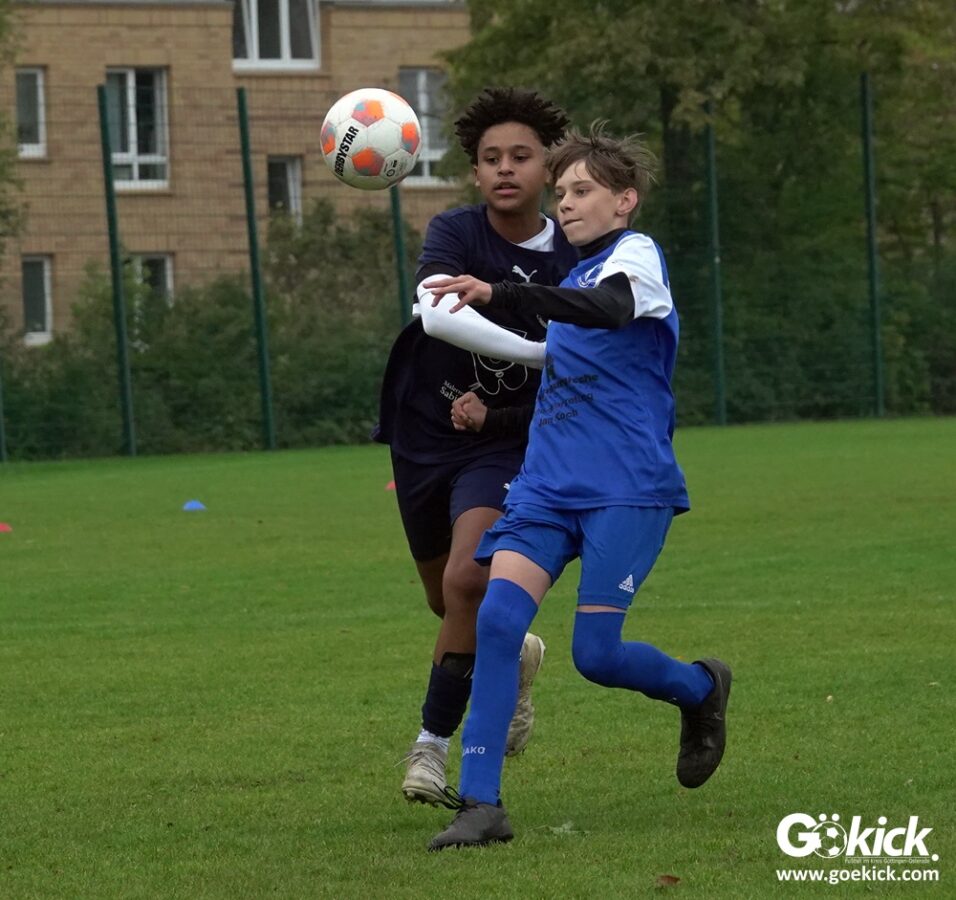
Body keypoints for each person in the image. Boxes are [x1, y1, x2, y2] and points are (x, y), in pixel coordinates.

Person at [423, 124, 732, 850]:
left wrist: (502, 290)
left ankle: (700, 688)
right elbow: (562, 374)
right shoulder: (573, 279)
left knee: (596, 655)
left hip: (626, 487)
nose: (565, 203)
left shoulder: (635, 258)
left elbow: (611, 309)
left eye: (582, 190)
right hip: (545, 488)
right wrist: (492, 402)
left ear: (624, 201)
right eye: (561, 191)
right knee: (499, 620)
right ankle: (481, 804)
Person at [373, 88, 578, 806]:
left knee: (468, 581)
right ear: (475, 171)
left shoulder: (574, 253)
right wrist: (544, 350)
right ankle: (512, 653)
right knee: (447, 601)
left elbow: (588, 359)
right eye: (491, 158)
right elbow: (436, 314)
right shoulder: (456, 230)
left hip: (507, 440)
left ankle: (430, 749)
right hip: (424, 432)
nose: (505, 169)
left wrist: (504, 408)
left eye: (521, 156)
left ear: (550, 167)